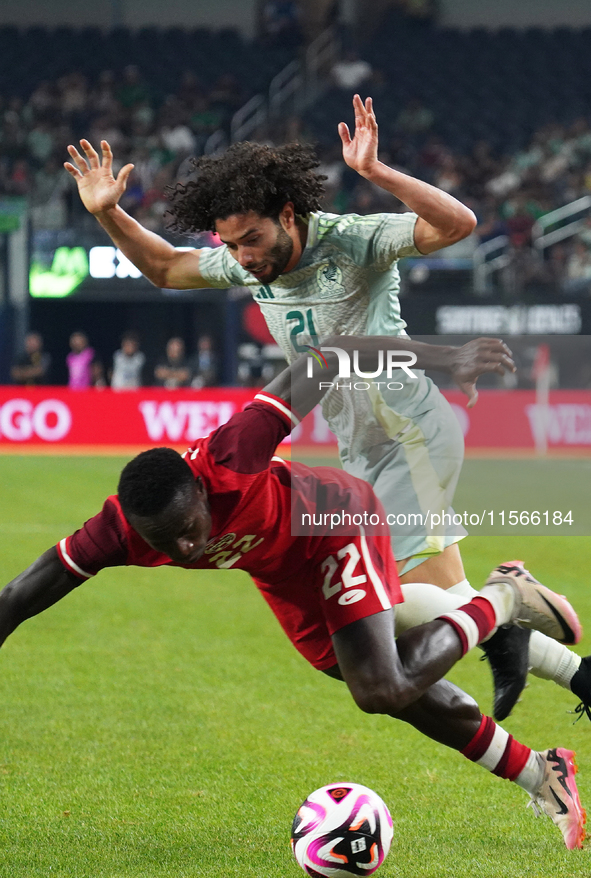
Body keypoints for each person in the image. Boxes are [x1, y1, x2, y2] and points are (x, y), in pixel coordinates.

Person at [63, 96, 567, 720]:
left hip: (406, 427)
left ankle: (509, 604)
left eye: (252, 240)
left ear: (289, 213)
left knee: (389, 608)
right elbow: (165, 268)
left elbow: (458, 225)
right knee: (443, 598)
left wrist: (379, 175)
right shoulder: (252, 264)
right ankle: (548, 644)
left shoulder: (353, 240)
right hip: (355, 447)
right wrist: (109, 214)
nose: (244, 257)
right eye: (231, 244)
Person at [0, 341, 585, 850]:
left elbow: (336, 354)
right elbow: (21, 595)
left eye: (189, 530)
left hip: (334, 521)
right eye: (164, 543)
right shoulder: (118, 532)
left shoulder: (234, 452)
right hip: (283, 573)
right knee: (390, 678)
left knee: (380, 686)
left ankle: (504, 597)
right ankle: (542, 773)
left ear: (202, 493)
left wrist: (445, 357)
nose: (182, 549)